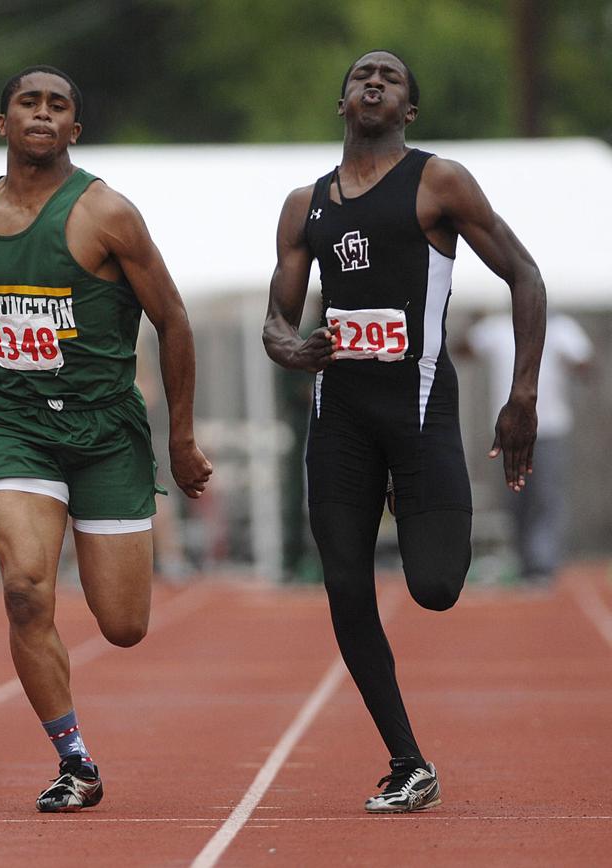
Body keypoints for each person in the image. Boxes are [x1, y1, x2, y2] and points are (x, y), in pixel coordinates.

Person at [262, 50, 546, 813]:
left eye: (390, 77)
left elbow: (526, 274)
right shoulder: (304, 205)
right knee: (346, 587)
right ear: (342, 101)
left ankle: (417, 498)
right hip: (341, 419)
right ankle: (407, 761)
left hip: (419, 411)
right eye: (361, 75)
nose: (375, 82)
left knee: (435, 587)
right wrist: (292, 348)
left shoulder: (438, 182)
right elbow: (278, 322)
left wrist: (522, 394)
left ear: (409, 110)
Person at [0, 65, 212, 812]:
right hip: (17, 424)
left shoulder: (105, 214)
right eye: (28, 102)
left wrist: (181, 438)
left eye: (57, 105)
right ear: (3, 124)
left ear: (74, 130)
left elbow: (175, 320)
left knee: (123, 625)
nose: (42, 113)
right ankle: (74, 760)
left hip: (106, 430)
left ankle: (79, 736)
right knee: (26, 589)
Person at [466, 310, 591, 585]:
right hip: (509, 431)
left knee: (546, 498)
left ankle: (542, 564)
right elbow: (464, 348)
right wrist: (471, 322)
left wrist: (576, 363)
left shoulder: (560, 328)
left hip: (550, 428)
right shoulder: (498, 327)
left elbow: (585, 363)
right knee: (515, 499)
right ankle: (525, 562)